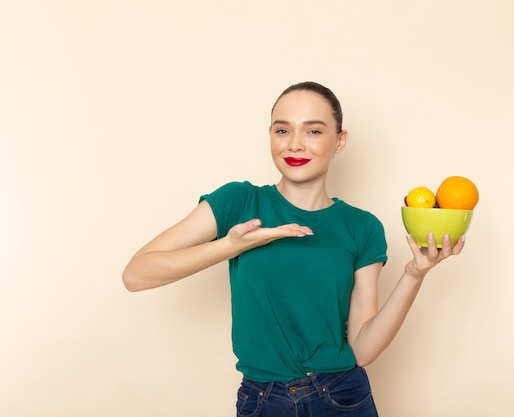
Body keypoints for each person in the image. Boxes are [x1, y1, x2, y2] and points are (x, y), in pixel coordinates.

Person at [122, 81, 465, 417]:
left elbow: (361, 349)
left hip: (343, 398)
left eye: (313, 131)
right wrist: (228, 247)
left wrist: (414, 274)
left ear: (340, 141)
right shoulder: (239, 202)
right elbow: (136, 274)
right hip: (262, 401)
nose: (295, 145)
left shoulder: (362, 227)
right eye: (282, 131)